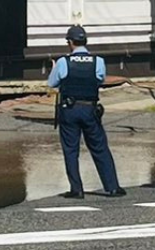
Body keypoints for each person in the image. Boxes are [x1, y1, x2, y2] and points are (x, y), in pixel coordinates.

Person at [47, 25, 126, 199]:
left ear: (70, 42)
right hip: (90, 109)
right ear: (85, 41)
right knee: (100, 147)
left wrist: (55, 68)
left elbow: (52, 84)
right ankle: (112, 187)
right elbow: (99, 80)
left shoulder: (63, 62)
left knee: (71, 150)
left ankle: (77, 189)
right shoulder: (98, 61)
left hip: (69, 109)